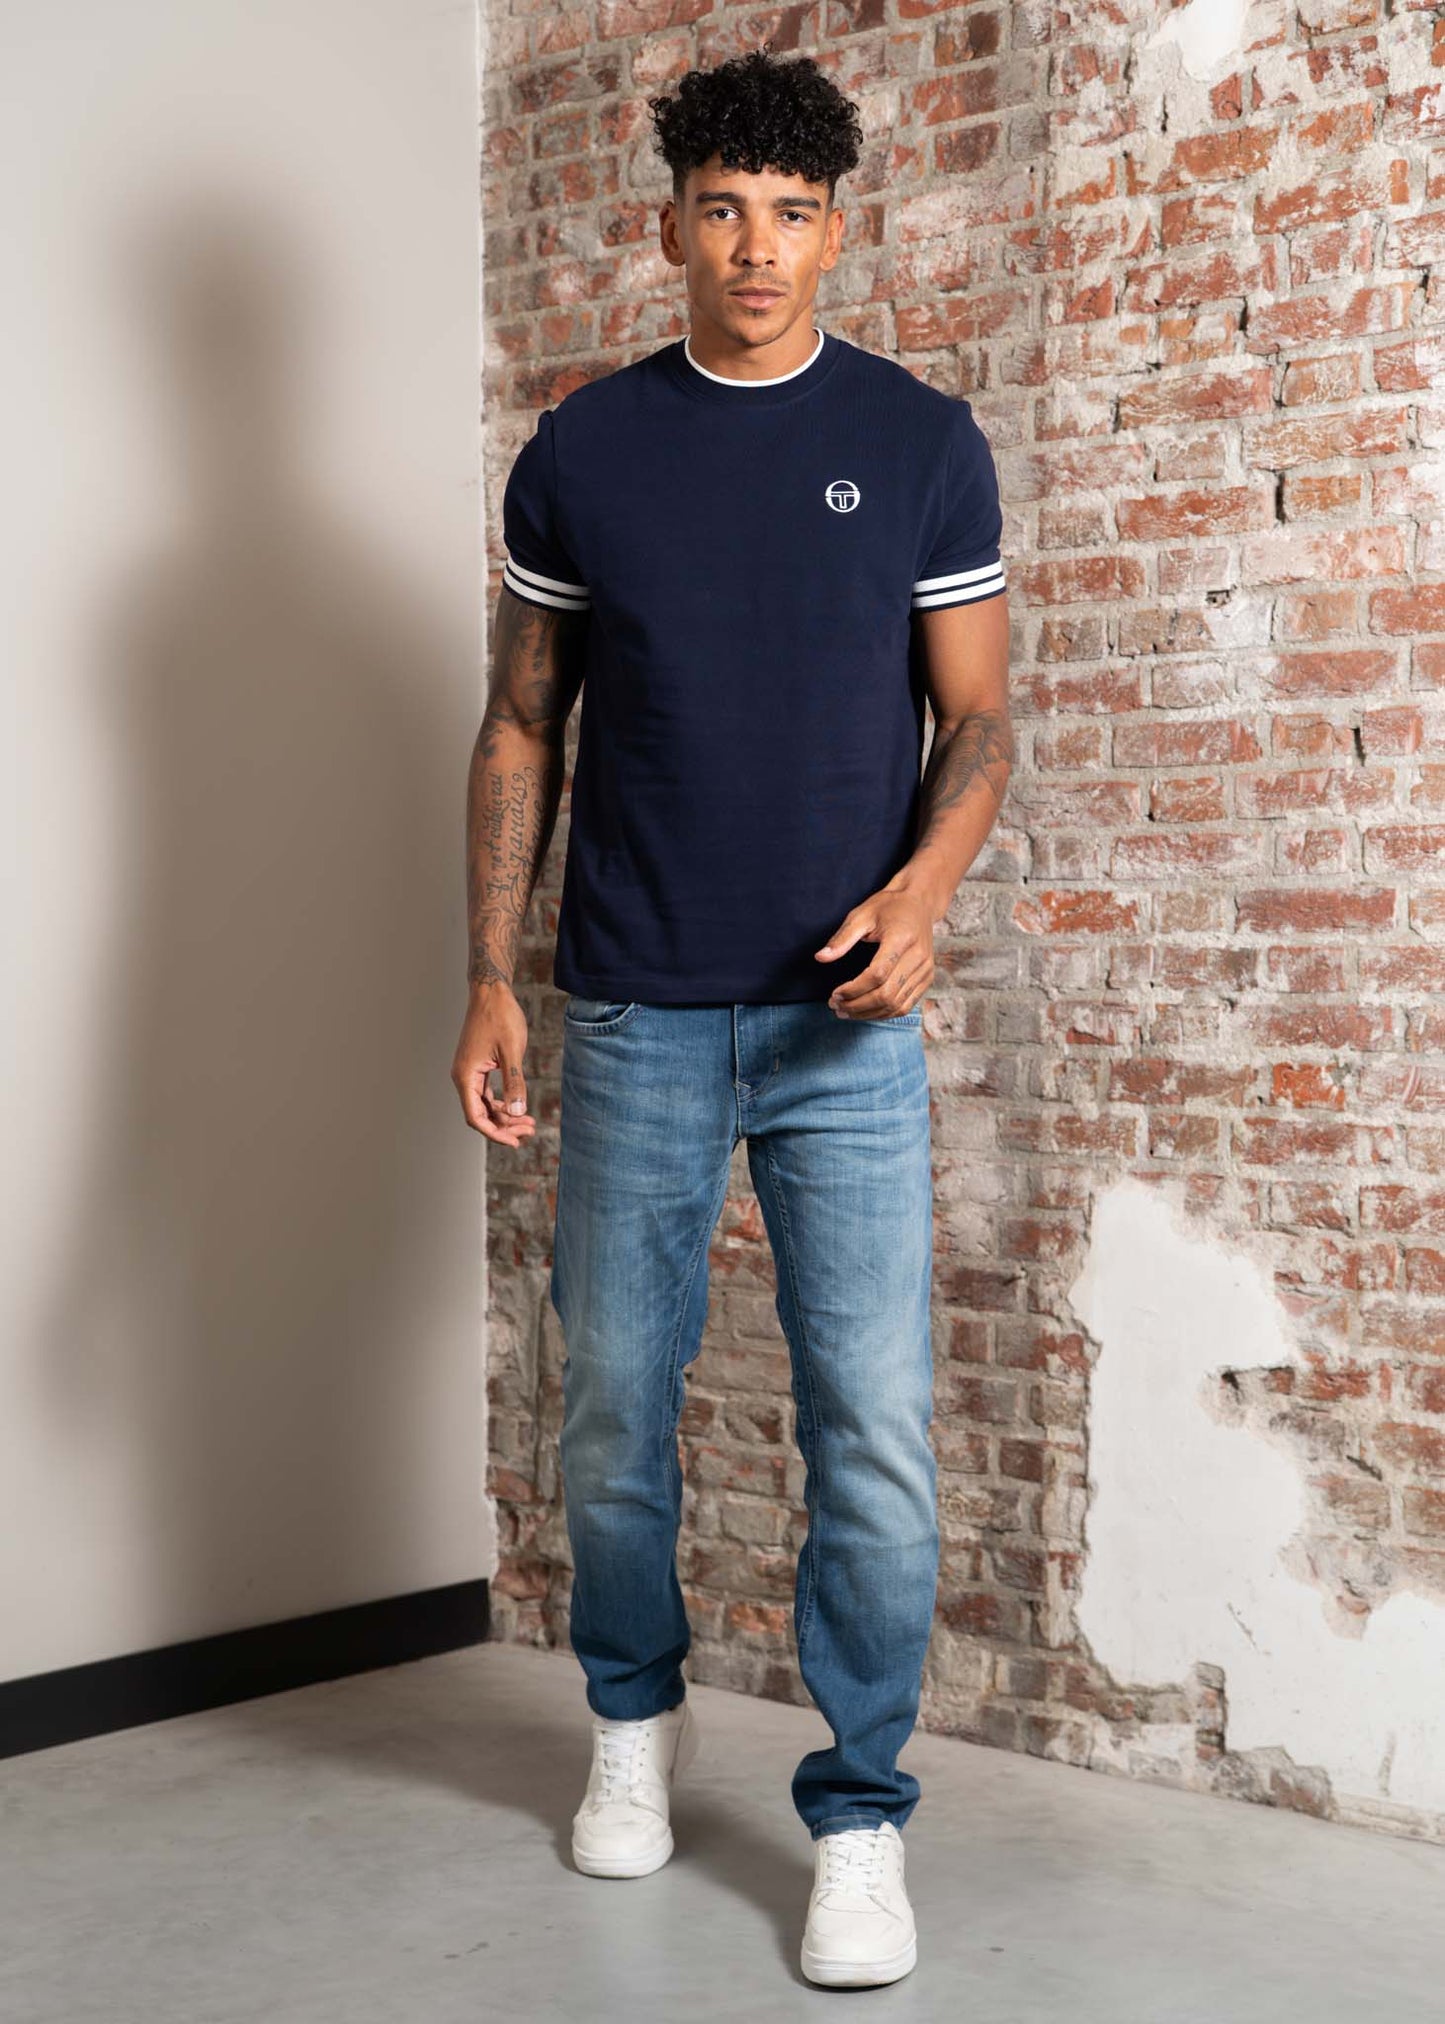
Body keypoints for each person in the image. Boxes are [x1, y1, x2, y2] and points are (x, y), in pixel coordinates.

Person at [451, 46, 1012, 1991]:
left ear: (836, 230)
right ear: (672, 224)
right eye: (721, 211)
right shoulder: (586, 450)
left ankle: (858, 1817)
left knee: (876, 1431)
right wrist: (487, 973)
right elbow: (521, 724)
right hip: (634, 1010)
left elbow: (979, 719)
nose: (756, 249)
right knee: (613, 1403)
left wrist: (923, 898)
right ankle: (633, 1715)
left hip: (847, 1027)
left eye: (790, 214)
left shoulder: (922, 442)